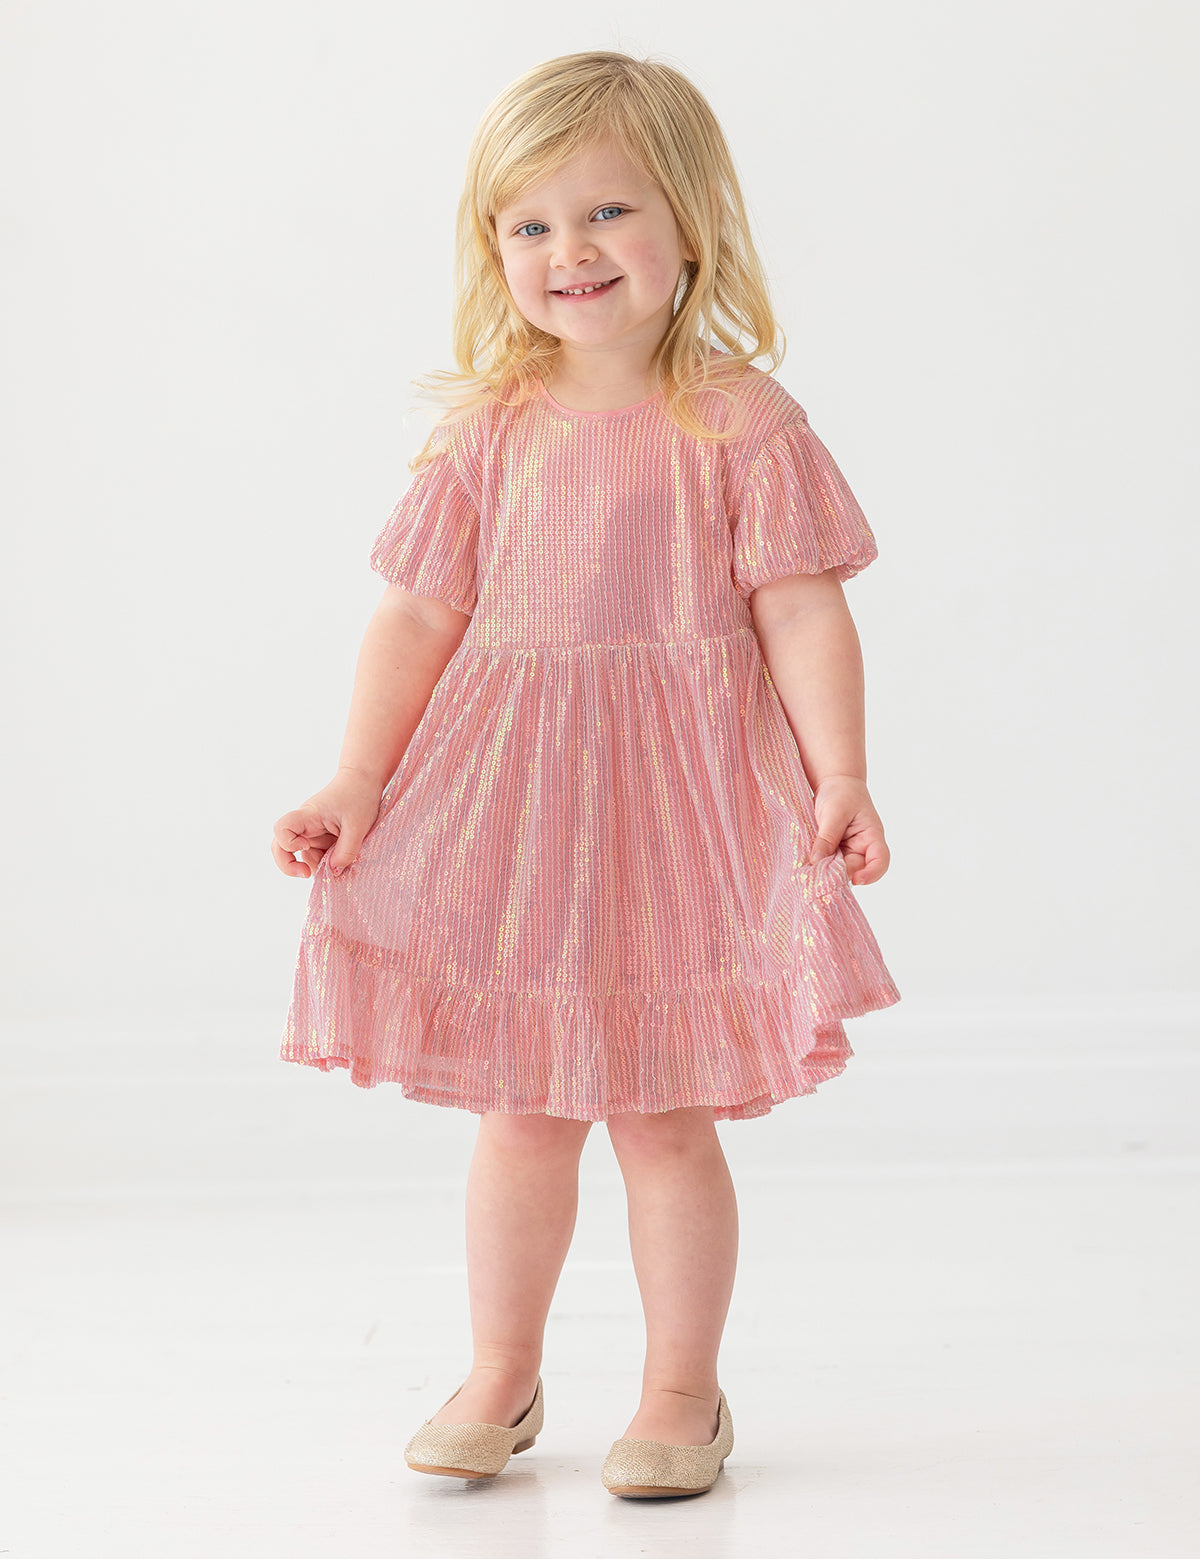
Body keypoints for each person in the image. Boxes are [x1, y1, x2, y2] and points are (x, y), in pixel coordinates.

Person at [271, 49, 901, 1499]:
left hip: (683, 806)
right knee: (524, 1109)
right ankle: (503, 1367)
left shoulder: (738, 424)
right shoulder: (487, 433)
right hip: (521, 805)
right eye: (533, 224)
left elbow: (801, 607)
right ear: (492, 249)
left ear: (692, 225)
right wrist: (358, 779)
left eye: (611, 212)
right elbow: (418, 616)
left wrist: (842, 772)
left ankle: (684, 1388)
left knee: (666, 1113)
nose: (573, 252)